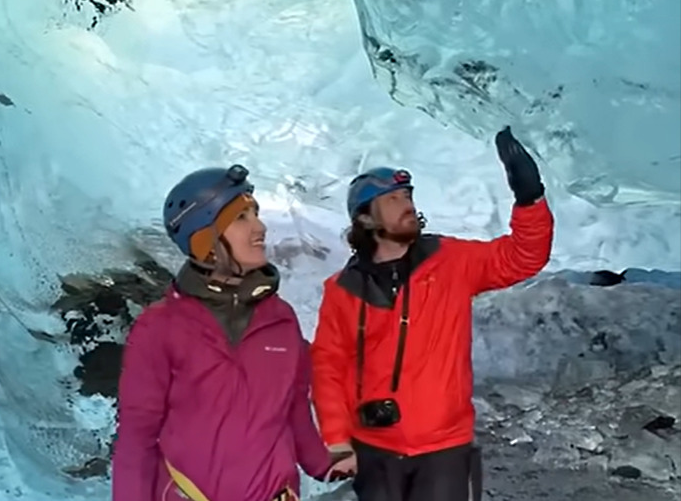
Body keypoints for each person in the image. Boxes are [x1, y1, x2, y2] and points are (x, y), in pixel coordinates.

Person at [310, 127, 555, 501]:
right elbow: (329, 367)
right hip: (373, 448)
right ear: (365, 220)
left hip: (445, 450)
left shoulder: (449, 261)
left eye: (407, 195)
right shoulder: (342, 290)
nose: (406, 203)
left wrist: (530, 198)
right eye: (392, 199)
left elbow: (521, 257)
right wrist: (338, 441)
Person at [112, 164, 351, 501]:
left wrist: (324, 464)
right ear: (204, 240)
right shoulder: (159, 327)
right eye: (241, 218)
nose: (260, 227)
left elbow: (294, 409)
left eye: (256, 213)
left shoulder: (281, 320)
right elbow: (138, 438)